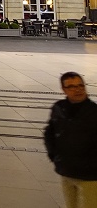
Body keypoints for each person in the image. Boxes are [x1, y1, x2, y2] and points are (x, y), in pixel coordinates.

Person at [44, 72, 97, 208]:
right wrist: (54, 156)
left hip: (90, 175)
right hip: (66, 171)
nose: (78, 89)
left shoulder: (94, 112)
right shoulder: (59, 108)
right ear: (64, 90)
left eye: (80, 85)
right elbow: (49, 132)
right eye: (72, 87)